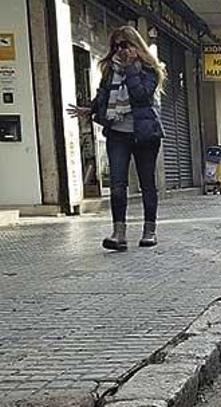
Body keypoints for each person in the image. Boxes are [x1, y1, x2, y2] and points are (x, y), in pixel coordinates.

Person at [67, 26, 166, 251]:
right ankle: (118, 233)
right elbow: (103, 95)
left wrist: (131, 69)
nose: (120, 51)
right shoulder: (110, 70)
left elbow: (141, 96)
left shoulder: (149, 69)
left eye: (124, 45)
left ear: (135, 46)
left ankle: (149, 230)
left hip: (144, 134)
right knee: (118, 185)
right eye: (116, 46)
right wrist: (90, 110)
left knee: (147, 184)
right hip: (118, 134)